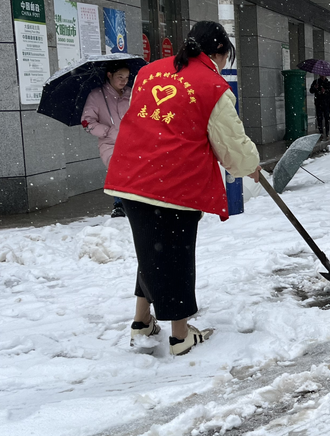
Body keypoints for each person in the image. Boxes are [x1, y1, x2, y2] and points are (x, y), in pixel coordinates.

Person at [105, 22, 261, 356]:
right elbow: (229, 142)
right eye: (224, 57)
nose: (222, 64)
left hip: (131, 176)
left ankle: (141, 321)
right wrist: (249, 166)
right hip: (173, 183)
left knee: (153, 250)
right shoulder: (212, 84)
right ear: (217, 53)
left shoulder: (148, 72)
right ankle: (180, 336)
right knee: (174, 255)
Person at [81, 61, 132, 218]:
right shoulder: (96, 96)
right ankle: (119, 204)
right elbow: (86, 121)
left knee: (135, 170)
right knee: (118, 168)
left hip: (133, 141)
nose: (124, 81)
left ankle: (134, 201)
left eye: (127, 77)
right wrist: (107, 131)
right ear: (109, 75)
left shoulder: (132, 93)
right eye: (120, 76)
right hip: (110, 143)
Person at [310, 74, 330, 138]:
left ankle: (327, 133)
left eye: (324, 75)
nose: (322, 76)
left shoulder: (329, 83)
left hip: (326, 103)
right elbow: (311, 91)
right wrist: (315, 88)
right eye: (321, 75)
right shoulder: (316, 82)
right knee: (319, 118)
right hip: (318, 103)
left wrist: (325, 91)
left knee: (327, 117)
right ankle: (320, 132)